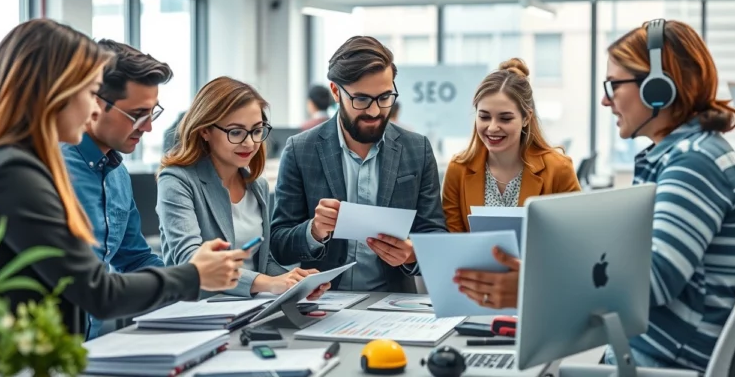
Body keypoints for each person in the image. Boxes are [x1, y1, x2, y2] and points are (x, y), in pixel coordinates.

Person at [0, 19, 247, 364]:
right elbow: (95, 290)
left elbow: (128, 261)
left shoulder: (24, 163)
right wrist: (193, 275)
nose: (92, 110)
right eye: (89, 94)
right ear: (56, 94)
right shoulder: (14, 172)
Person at [599, 19, 735, 372]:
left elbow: (654, 281)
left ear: (657, 89)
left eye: (614, 85)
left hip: (663, 363)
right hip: (647, 354)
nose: (605, 99)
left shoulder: (693, 161)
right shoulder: (687, 153)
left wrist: (544, 287)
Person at [270, 36, 446, 293]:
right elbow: (279, 245)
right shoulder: (301, 150)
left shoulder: (416, 149)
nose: (375, 112)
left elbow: (435, 236)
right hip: (323, 301)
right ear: (335, 91)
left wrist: (412, 253)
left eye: (385, 98)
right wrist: (314, 230)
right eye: (361, 100)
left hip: (393, 302)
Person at [157, 76, 330, 300]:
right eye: (236, 132)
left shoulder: (255, 184)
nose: (249, 143)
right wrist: (270, 283)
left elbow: (262, 261)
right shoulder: (177, 180)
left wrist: (296, 283)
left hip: (247, 309)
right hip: (197, 311)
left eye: (257, 131)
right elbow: (193, 262)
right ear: (205, 130)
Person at [444, 58, 581, 309]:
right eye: (484, 116)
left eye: (505, 118)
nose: (492, 127)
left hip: (541, 297)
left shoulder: (558, 168)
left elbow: (576, 243)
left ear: (526, 118)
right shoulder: (459, 170)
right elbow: (454, 242)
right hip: (474, 298)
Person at [61, 39, 172, 340]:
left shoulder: (116, 173)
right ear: (95, 103)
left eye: (153, 113)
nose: (148, 127)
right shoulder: (53, 170)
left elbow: (133, 259)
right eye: (138, 114)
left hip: (90, 350)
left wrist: (199, 288)